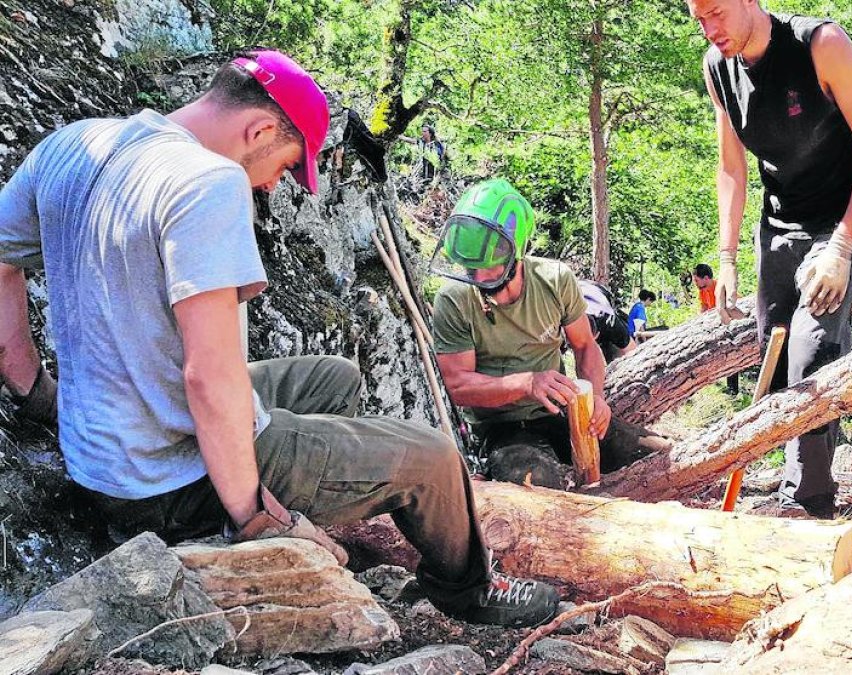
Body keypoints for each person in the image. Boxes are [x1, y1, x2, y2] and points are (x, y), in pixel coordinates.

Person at [0, 50, 558, 628]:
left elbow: (0, 259)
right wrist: (252, 515)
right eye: (287, 166)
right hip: (168, 478)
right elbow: (208, 378)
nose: (273, 186)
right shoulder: (208, 182)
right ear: (260, 129)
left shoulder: (74, 144)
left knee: (334, 376)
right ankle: (470, 590)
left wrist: (34, 389)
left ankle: (327, 486)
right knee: (433, 458)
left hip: (105, 448)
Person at [688, 0, 852, 517]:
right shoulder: (719, 68)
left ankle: (807, 506)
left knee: (813, 350)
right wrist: (728, 256)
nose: (712, 30)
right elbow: (731, 166)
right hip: (779, 224)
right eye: (699, 20)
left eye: (717, 13)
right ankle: (797, 480)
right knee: (776, 363)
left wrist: (843, 248)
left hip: (839, 221)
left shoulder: (820, 46)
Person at [430, 179, 669, 489]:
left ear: (516, 253)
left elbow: (585, 347)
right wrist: (525, 383)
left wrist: (595, 397)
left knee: (656, 455)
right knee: (536, 483)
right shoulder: (454, 299)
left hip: (558, 412)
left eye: (490, 270)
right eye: (471, 270)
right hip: (501, 428)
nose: (480, 279)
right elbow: (459, 385)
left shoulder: (554, 279)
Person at [692, 263, 739, 395]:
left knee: (732, 355)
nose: (695, 283)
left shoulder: (720, 288)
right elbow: (704, 308)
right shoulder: (702, 291)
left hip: (732, 323)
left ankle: (733, 390)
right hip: (717, 325)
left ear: (706, 278)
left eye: (696, 280)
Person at [579, 279, 634, 363]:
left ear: (596, 335)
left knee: (616, 356)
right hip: (572, 297)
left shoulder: (608, 320)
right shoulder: (560, 319)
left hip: (597, 295)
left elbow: (631, 350)